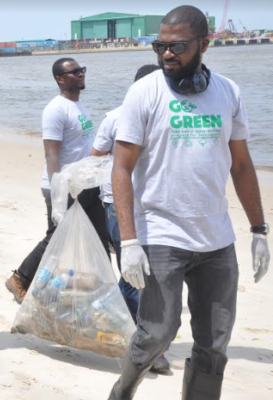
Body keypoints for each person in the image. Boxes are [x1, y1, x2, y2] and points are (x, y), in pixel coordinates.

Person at [108, 6, 270, 400]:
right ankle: (123, 392)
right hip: (162, 233)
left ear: (204, 44)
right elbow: (121, 168)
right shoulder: (144, 92)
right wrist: (129, 242)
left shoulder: (228, 91)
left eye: (177, 46)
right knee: (157, 333)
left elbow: (243, 164)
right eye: (160, 45)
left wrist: (259, 229)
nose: (166, 54)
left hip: (216, 238)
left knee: (215, 343)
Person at [5, 58, 110, 303]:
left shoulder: (78, 106)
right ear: (60, 79)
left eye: (81, 70)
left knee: (99, 236)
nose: (80, 74)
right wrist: (57, 194)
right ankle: (20, 278)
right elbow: (51, 154)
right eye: (73, 72)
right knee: (57, 238)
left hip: (85, 184)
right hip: (64, 187)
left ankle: (104, 289)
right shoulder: (56, 109)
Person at [91, 64, 170, 375]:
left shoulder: (166, 117)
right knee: (132, 275)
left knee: (150, 275)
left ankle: (142, 337)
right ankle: (142, 342)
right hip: (116, 205)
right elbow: (94, 158)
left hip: (154, 207)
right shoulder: (115, 117)